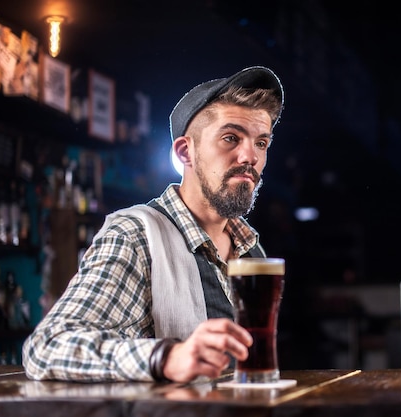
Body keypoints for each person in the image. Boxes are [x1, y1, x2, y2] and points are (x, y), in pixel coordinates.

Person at [22, 66, 285, 383]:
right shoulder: (135, 235)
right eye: (231, 138)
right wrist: (166, 357)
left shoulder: (252, 250)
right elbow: (47, 347)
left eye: (261, 142)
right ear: (186, 152)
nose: (250, 156)